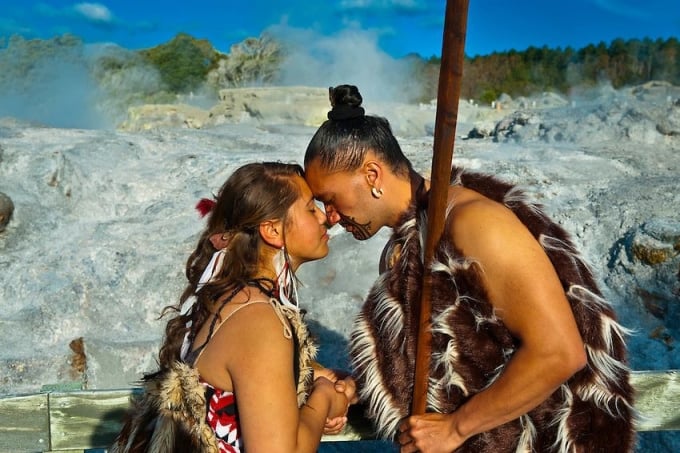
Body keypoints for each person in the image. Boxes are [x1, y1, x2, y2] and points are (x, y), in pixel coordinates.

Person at [304, 85, 635, 452]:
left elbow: (559, 352)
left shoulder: (474, 223)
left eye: (329, 200)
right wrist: (361, 389)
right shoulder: (406, 246)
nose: (330, 217)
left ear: (371, 175)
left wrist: (456, 428)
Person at [111, 162, 357, 453]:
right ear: (272, 231)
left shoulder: (236, 301)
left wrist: (316, 373)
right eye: (309, 208)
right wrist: (324, 398)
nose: (324, 218)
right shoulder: (260, 320)